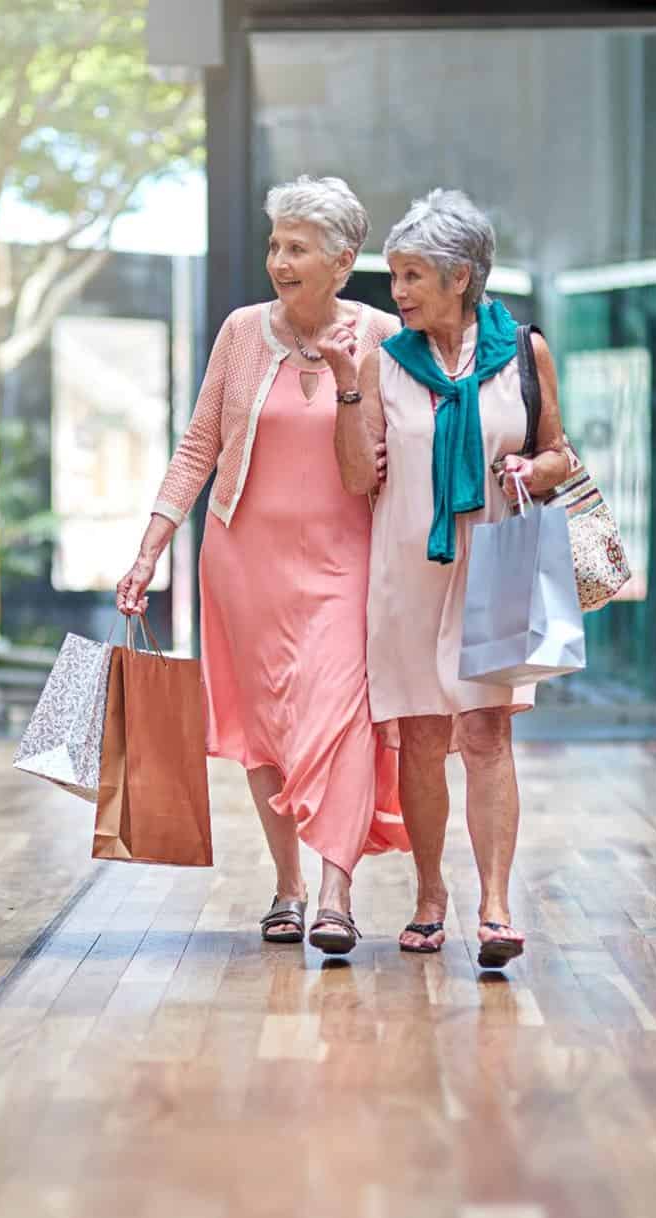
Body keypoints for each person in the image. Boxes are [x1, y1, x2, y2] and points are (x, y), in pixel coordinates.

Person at [116, 175, 408, 956]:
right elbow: (197, 446)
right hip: (242, 558)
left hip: (345, 559)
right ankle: (288, 885)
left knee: (340, 716)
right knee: (265, 726)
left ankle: (337, 890)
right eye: (274, 244)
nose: (278, 260)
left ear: (342, 262)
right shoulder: (243, 332)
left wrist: (348, 382)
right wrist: (150, 547)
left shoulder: (380, 338)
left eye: (297, 247)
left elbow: (374, 470)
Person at [326, 188, 573, 968]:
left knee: (486, 730)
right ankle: (429, 897)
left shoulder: (524, 352)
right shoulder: (382, 361)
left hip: (494, 563)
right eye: (394, 276)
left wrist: (534, 469)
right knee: (422, 735)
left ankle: (494, 907)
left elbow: (560, 453)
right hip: (407, 570)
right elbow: (354, 477)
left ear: (460, 277)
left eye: (410, 277)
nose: (394, 293)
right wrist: (344, 387)